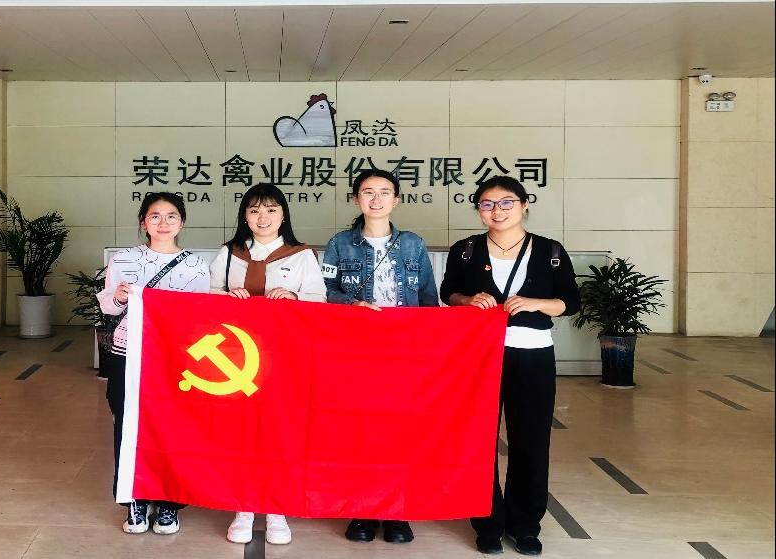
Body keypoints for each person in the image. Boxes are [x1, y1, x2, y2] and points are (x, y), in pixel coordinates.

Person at [439, 176, 580, 556]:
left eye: (506, 203)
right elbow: (448, 292)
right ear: (478, 210)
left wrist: (535, 303)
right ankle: (486, 523)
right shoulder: (466, 250)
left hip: (533, 354)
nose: (497, 211)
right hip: (478, 355)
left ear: (524, 204)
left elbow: (570, 301)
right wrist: (468, 300)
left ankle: (525, 525)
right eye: (487, 204)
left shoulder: (549, 250)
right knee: (478, 439)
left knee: (530, 440)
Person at [322, 169, 439, 544]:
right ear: (356, 199)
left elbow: (428, 301)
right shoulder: (340, 243)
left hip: (403, 353)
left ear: (396, 200)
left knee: (401, 433)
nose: (376, 199)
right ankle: (361, 509)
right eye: (368, 192)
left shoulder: (413, 244)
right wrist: (351, 304)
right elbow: (324, 291)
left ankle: (396, 512)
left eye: (384, 192)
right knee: (359, 433)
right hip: (356, 352)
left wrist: (427, 351)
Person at [209, 183, 327, 545]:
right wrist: (227, 298)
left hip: (286, 359)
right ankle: (243, 507)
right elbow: (206, 299)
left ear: (283, 214)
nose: (263, 217)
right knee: (240, 433)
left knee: (280, 432)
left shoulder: (301, 255)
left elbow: (320, 301)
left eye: (271, 209)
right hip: (238, 360)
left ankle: (277, 508)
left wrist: (293, 295)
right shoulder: (229, 254)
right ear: (244, 216)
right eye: (255, 210)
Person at [97, 192, 210, 536]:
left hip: (174, 358)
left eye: (171, 216)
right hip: (128, 353)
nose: (163, 223)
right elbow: (108, 307)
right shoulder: (124, 259)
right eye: (155, 216)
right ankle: (133, 499)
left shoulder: (195, 266)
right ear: (143, 222)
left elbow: (200, 315)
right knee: (128, 425)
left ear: (182, 222)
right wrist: (118, 296)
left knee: (172, 427)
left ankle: (168, 501)